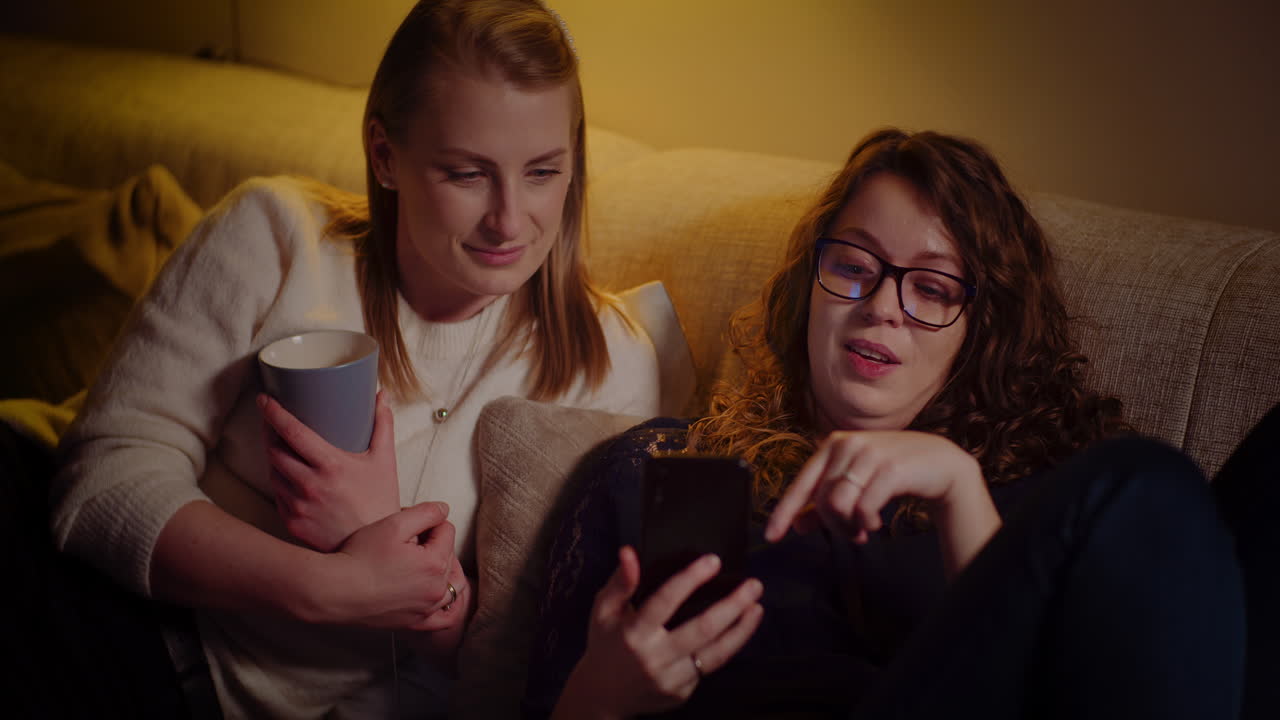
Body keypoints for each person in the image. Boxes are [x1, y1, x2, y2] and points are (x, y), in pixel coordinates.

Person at [49, 1, 660, 717]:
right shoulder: (277, 237)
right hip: (145, 642)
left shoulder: (614, 366)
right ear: (384, 155)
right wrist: (325, 587)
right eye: (467, 174)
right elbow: (99, 478)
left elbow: (536, 669)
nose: (508, 220)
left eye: (543, 172)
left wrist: (388, 552)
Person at [524, 129, 1262, 719]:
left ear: (981, 331)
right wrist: (601, 695)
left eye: (932, 288)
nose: (881, 306)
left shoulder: (1054, 505)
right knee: (1142, 478)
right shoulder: (657, 469)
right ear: (808, 287)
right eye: (854, 266)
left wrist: (957, 487)